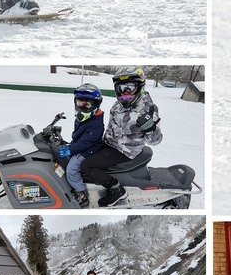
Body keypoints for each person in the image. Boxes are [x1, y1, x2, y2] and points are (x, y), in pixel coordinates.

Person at [81, 68, 163, 207]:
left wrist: (150, 128)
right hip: (109, 144)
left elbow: (155, 141)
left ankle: (115, 189)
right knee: (81, 153)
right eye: (121, 88)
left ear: (140, 87)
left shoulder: (148, 109)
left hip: (125, 150)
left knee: (87, 165)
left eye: (129, 88)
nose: (124, 92)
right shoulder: (118, 105)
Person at [58, 84, 106, 208]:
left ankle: (81, 192)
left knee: (72, 169)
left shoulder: (96, 123)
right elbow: (78, 138)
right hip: (81, 147)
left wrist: (71, 150)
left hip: (89, 151)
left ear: (95, 105)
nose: (82, 107)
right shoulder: (81, 118)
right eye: (79, 103)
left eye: (86, 105)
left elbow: (86, 143)